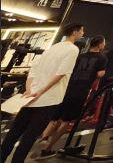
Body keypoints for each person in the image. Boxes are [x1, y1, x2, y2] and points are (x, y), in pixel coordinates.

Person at [1, 23, 83, 163]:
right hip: (48, 99)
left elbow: (33, 70)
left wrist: (29, 89)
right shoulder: (73, 49)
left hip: (30, 97)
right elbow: (61, 73)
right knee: (29, 136)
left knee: (14, 133)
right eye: (81, 31)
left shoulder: (52, 48)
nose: (82, 33)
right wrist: (40, 91)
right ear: (75, 32)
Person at [36, 36, 108, 158]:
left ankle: (44, 138)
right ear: (100, 45)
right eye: (104, 43)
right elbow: (100, 74)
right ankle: (47, 148)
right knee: (66, 121)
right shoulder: (102, 58)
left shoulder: (80, 56)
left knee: (55, 118)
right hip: (81, 91)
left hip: (67, 88)